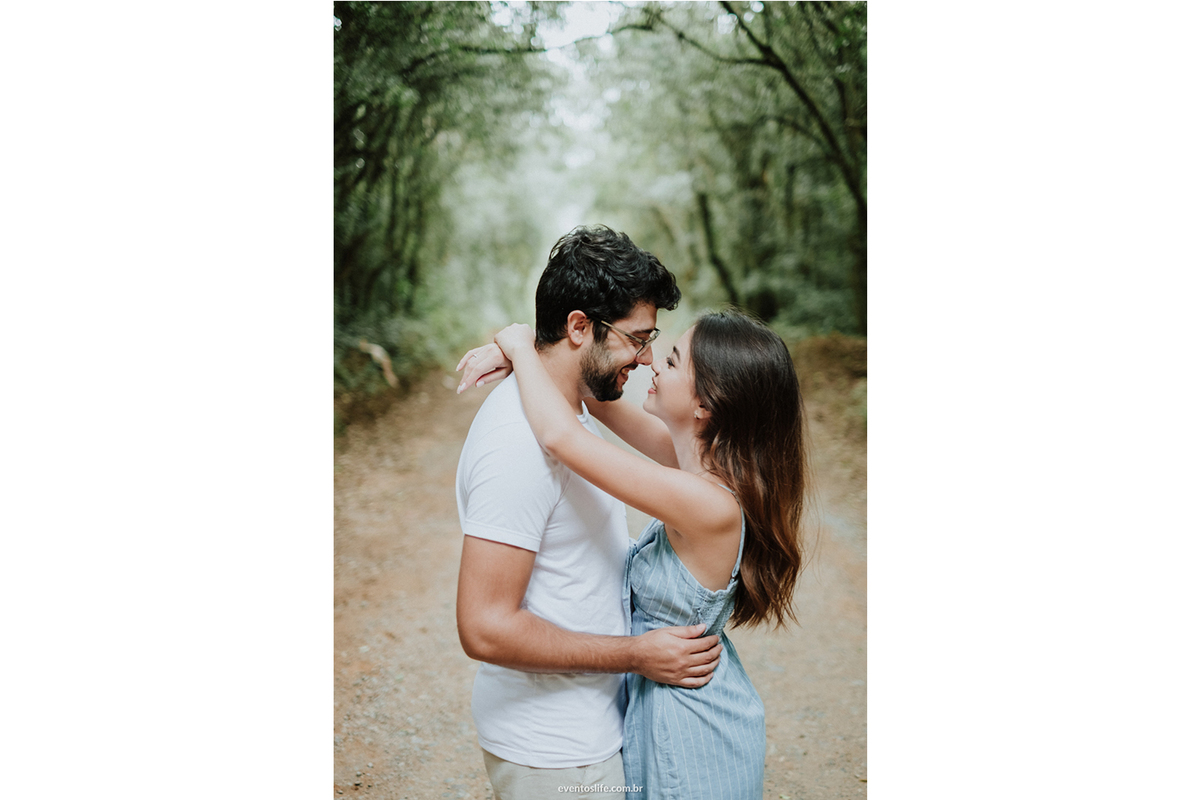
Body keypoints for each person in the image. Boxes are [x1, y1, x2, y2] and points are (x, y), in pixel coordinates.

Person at [462, 307, 809, 800]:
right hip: (661, 706)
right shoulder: (697, 464)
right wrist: (539, 350)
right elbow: (592, 390)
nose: (649, 364)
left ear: (705, 404)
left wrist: (518, 346)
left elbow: (562, 436)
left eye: (669, 360)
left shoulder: (706, 502)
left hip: (693, 728)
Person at [454, 225, 725, 800]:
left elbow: (578, 415)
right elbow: (484, 627)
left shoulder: (570, 416)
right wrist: (636, 656)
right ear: (580, 327)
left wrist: (521, 347)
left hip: (588, 733)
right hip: (556, 752)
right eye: (638, 338)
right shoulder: (518, 443)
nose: (648, 358)